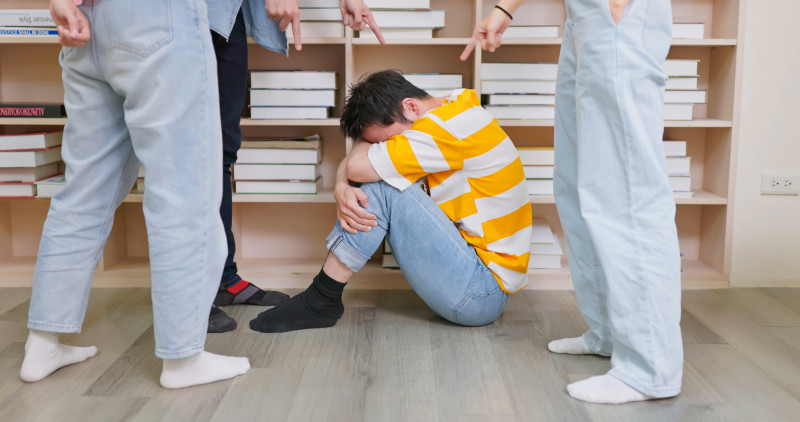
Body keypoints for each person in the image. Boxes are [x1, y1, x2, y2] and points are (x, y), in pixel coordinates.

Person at [461, 0, 683, 405]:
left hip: (613, 11)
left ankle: (650, 369)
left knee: (626, 195)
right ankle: (608, 334)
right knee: (578, 185)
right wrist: (504, 9)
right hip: (583, 18)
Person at [20, 0, 249, 389]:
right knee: (183, 192)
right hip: (159, 17)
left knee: (82, 192)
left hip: (88, 20)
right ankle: (183, 359)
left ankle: (42, 343)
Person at [248, 70, 532, 333]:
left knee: (384, 186)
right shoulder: (456, 103)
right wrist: (343, 183)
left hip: (480, 293)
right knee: (381, 176)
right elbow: (359, 159)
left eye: (389, 141)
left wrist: (342, 183)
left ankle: (321, 299)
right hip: (481, 280)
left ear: (410, 106)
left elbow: (357, 168)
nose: (390, 146)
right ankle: (321, 297)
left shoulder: (439, 132)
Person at [206, 0, 385, 332]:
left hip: (227, 17)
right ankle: (191, 294)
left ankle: (222, 280)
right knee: (190, 153)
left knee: (222, 150)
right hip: (182, 17)